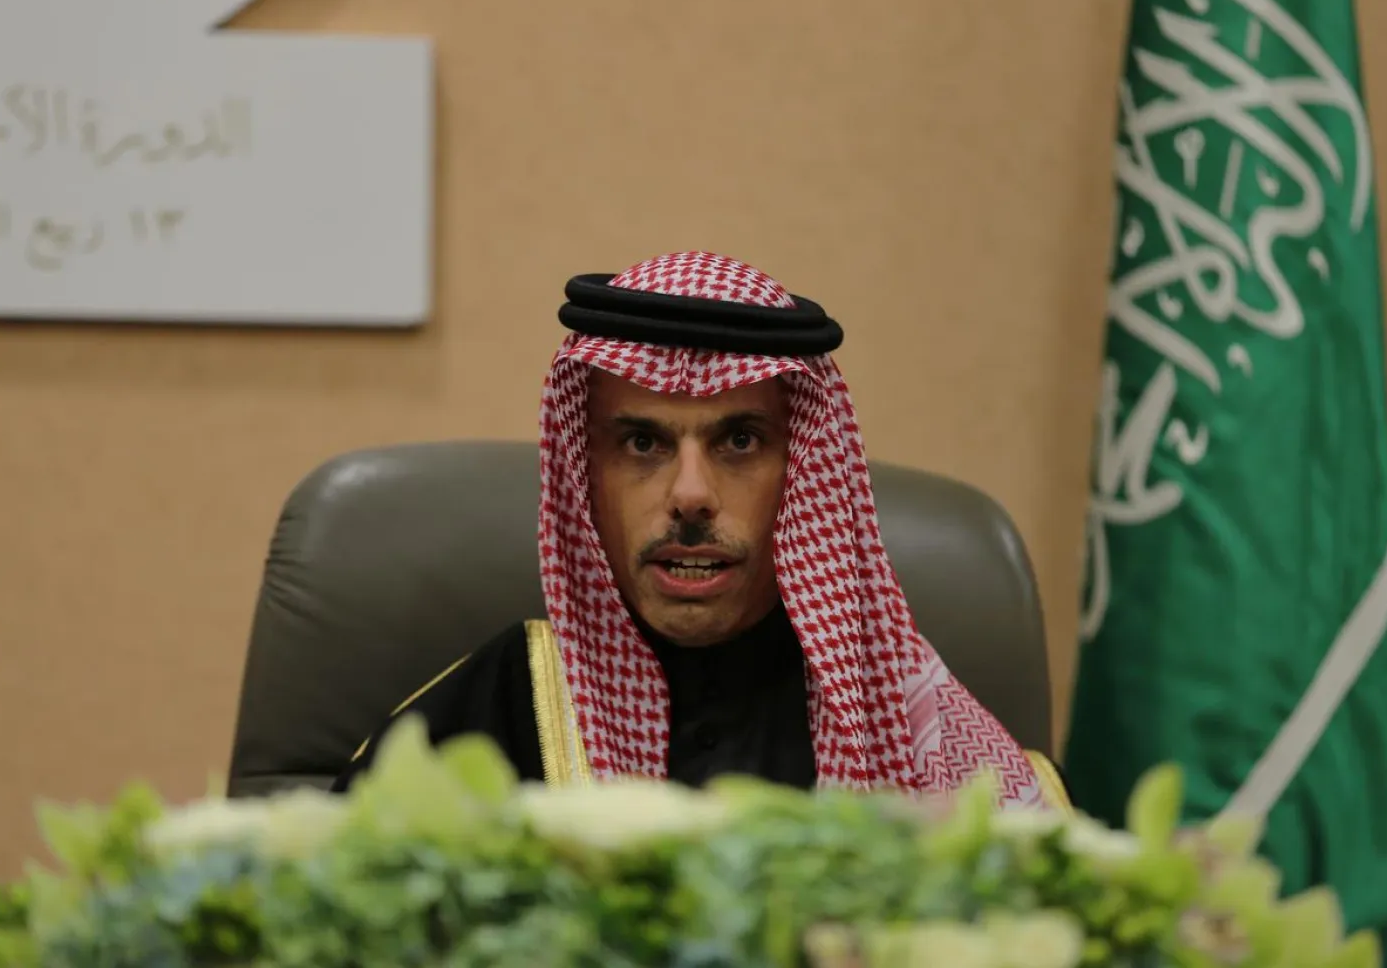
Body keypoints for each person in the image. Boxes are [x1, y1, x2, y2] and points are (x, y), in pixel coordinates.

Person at [332, 251, 1069, 809]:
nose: (690, 496)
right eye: (643, 444)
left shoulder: (912, 733)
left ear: (805, 472)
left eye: (739, 441)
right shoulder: (490, 717)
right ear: (586, 478)